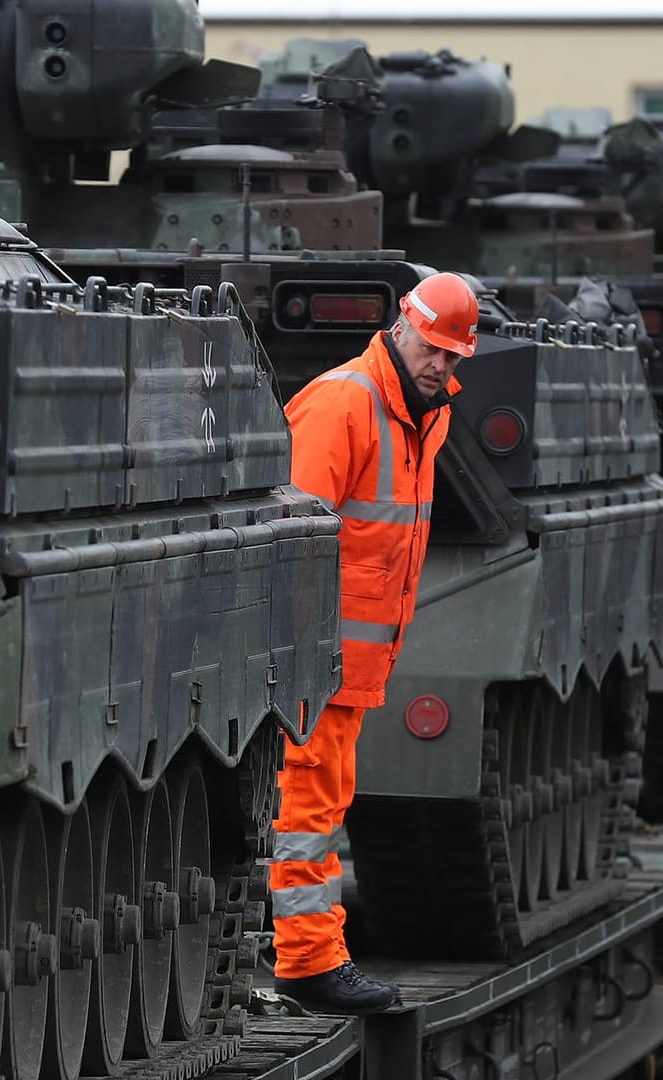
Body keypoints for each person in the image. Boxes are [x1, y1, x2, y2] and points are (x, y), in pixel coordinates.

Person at [268, 272, 478, 1013]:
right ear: (401, 327)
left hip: (355, 658)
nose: (440, 366)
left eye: (454, 359)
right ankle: (309, 962)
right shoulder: (344, 403)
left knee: (320, 802)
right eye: (432, 349)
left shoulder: (426, 414)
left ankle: (309, 954)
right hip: (317, 658)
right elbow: (290, 540)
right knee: (307, 807)